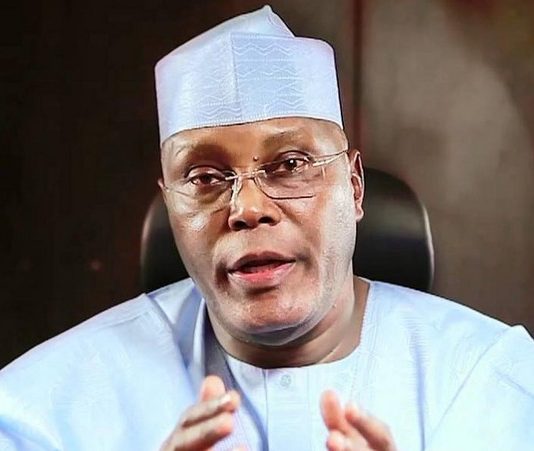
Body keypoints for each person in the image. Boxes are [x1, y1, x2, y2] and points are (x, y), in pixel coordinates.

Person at [1, 5, 533, 451]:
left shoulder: (489, 380)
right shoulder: (40, 409)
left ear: (354, 187)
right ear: (170, 206)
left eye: (291, 165)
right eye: (206, 177)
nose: (248, 208)